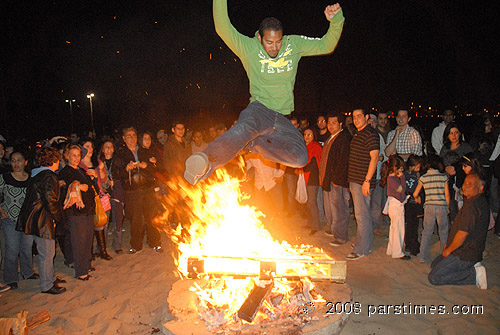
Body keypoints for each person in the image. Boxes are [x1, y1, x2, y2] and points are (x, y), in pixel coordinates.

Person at [183, 0, 345, 185]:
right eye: (269, 42)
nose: (274, 47)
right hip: (259, 110)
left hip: (282, 118)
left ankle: (255, 144)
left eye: (278, 42)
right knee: (242, 129)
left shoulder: (294, 44)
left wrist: (336, 21)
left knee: (300, 158)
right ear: (259, 38)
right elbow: (223, 27)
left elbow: (326, 45)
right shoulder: (248, 48)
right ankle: (205, 161)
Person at [16, 147, 66, 294]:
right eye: (58, 160)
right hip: (42, 219)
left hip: (32, 217)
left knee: (44, 252)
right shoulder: (49, 176)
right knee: (47, 253)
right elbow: (51, 200)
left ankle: (49, 278)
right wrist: (58, 218)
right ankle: (47, 285)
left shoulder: (36, 174)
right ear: (53, 160)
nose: (59, 162)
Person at [428, 174, 489, 289]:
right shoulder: (477, 201)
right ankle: (472, 266)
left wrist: (449, 249)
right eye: (465, 183)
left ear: (480, 188)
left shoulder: (472, 206)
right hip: (466, 250)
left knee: (434, 277)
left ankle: (474, 275)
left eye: (469, 185)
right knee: (435, 265)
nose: (465, 187)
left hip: (465, 253)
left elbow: (462, 233)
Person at [113, 127, 162, 254]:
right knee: (136, 219)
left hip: (148, 188)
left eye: (134, 135)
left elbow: (156, 166)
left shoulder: (144, 151)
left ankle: (155, 242)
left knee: (152, 216)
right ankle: (136, 244)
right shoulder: (120, 154)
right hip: (132, 191)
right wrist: (126, 169)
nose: (132, 138)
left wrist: (147, 165)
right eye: (128, 136)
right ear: (124, 138)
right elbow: (116, 173)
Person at [59, 144, 97, 280]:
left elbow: (90, 186)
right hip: (76, 212)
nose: (76, 158)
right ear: (66, 156)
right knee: (79, 241)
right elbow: (68, 185)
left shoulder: (81, 170)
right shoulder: (65, 172)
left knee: (87, 240)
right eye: (73, 155)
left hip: (88, 210)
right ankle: (81, 272)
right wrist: (80, 186)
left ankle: (86, 265)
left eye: (78, 155)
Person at [346, 109, 380, 260]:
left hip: (362, 182)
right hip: (355, 180)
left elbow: (374, 158)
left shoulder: (371, 133)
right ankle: (363, 242)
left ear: (366, 117)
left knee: (362, 215)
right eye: (354, 117)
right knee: (361, 214)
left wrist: (367, 181)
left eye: (359, 116)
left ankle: (362, 249)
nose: (356, 119)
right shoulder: (358, 133)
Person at [0, 151, 36, 290]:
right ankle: (11, 278)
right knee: (12, 249)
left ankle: (27, 272)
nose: (16, 163)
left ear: (25, 162)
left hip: (26, 219)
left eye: (19, 160)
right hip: (10, 219)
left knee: (27, 248)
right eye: (13, 160)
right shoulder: (5, 178)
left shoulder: (31, 178)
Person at [320, 113, 351, 246]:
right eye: (329, 123)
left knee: (340, 209)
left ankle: (341, 237)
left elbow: (343, 162)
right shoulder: (331, 137)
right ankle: (335, 231)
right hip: (330, 180)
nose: (331, 125)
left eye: (334, 123)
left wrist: (336, 180)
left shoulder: (343, 138)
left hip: (337, 181)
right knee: (334, 208)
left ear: (340, 124)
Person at [413, 154, 450, 263]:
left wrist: (417, 197)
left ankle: (422, 256)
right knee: (443, 232)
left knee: (426, 232)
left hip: (429, 206)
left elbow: (415, 193)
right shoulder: (444, 177)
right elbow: (447, 194)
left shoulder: (424, 178)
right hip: (441, 206)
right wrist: (447, 207)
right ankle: (444, 255)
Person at [79, 139, 112, 261]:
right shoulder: (79, 164)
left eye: (92, 147)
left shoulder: (97, 161)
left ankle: (102, 250)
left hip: (98, 195)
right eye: (87, 146)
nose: (90, 149)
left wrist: (100, 171)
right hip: (86, 197)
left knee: (100, 222)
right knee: (88, 225)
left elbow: (103, 180)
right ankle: (89, 252)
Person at [380, 155, 410, 260]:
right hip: (396, 206)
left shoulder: (391, 178)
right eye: (400, 167)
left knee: (394, 228)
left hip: (395, 205)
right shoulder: (392, 179)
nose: (402, 170)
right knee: (398, 229)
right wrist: (402, 177)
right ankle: (397, 252)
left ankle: (392, 249)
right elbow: (401, 189)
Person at [100, 140, 126, 254]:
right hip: (104, 194)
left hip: (117, 193)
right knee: (104, 221)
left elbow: (123, 175)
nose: (108, 149)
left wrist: (114, 179)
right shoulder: (99, 162)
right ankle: (102, 247)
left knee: (118, 220)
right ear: (102, 149)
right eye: (106, 147)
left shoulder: (119, 161)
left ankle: (117, 245)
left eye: (110, 147)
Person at [300, 128, 322, 235]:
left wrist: (302, 169)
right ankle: (310, 222)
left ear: (314, 135)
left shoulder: (316, 147)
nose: (307, 136)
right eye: (305, 134)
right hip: (305, 177)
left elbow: (314, 164)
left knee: (312, 202)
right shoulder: (306, 147)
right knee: (308, 202)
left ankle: (316, 226)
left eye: (310, 134)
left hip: (312, 178)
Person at [403, 154, 424, 256]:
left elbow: (420, 187)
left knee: (414, 224)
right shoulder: (404, 174)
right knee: (409, 225)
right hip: (407, 202)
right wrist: (411, 195)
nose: (418, 168)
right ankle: (409, 245)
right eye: (417, 166)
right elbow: (402, 189)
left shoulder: (417, 174)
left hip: (415, 203)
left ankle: (413, 244)